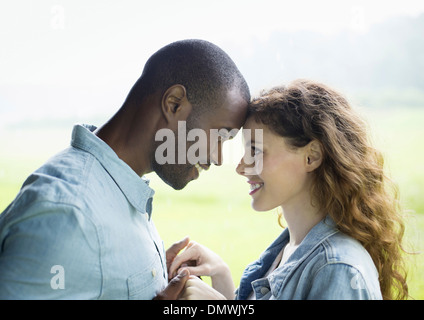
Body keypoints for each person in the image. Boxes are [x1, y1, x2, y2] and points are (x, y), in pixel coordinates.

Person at [0, 39, 250, 299]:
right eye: (220, 136)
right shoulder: (70, 215)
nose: (217, 158)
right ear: (174, 104)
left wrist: (154, 276)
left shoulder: (116, 185)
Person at [169, 79, 409, 300]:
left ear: (311, 157)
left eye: (256, 150)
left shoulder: (337, 268)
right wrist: (221, 278)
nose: (241, 167)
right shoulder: (286, 251)